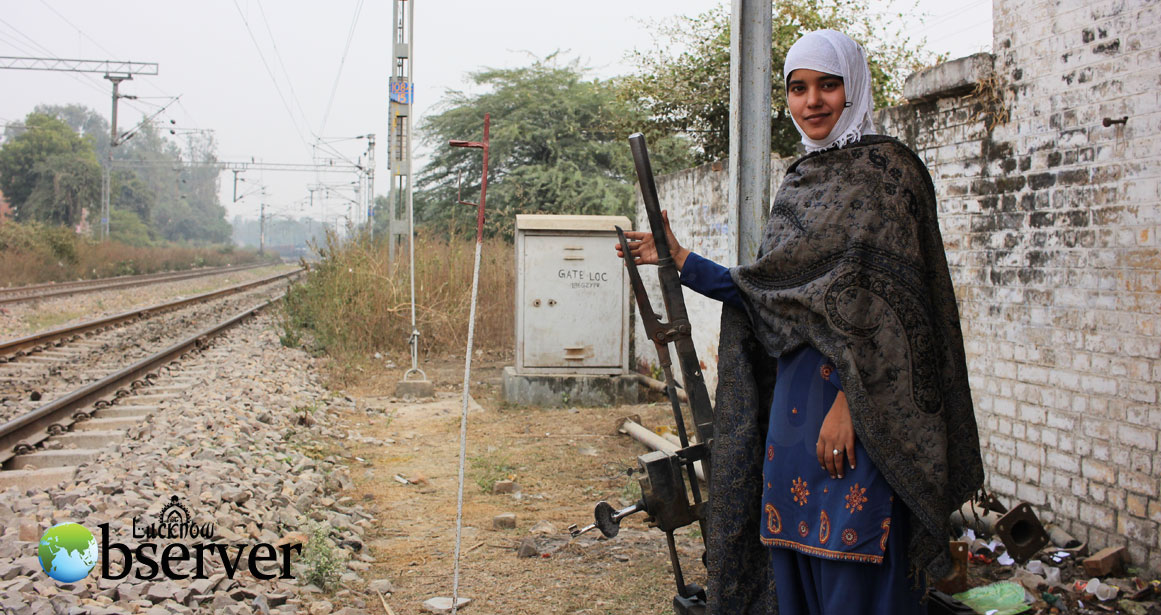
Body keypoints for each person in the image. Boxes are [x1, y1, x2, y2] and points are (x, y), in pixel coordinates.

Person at [618, 30, 983, 615]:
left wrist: (849, 406)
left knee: (858, 575)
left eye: (828, 85)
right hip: (789, 420)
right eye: (798, 88)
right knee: (793, 571)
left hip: (862, 419)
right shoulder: (799, 182)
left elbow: (901, 316)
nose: (812, 102)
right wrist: (678, 258)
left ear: (854, 86)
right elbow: (767, 293)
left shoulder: (890, 176)